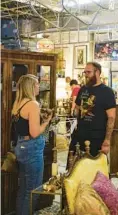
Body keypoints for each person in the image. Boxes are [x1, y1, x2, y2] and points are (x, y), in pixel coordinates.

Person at [12, 74, 52, 215]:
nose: (38, 87)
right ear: (30, 87)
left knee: (23, 188)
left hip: (21, 145)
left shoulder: (18, 103)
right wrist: (46, 123)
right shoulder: (33, 104)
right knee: (34, 189)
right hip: (31, 147)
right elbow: (35, 133)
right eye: (36, 84)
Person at [69, 62, 116, 157]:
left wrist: (107, 141)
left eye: (88, 72)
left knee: (95, 168)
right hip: (80, 135)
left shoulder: (107, 92)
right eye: (85, 72)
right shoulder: (83, 89)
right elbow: (77, 110)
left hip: (97, 137)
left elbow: (111, 118)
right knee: (73, 166)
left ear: (97, 72)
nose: (86, 75)